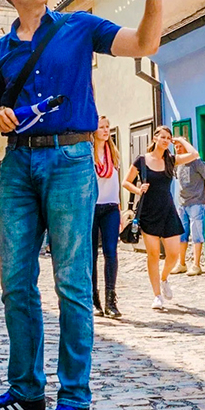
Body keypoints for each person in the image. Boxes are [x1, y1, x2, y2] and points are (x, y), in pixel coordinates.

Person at [0, 0, 175, 410]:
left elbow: (145, 43)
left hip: (71, 160)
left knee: (73, 283)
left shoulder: (80, 26)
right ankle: (25, 393)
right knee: (15, 281)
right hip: (17, 163)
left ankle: (75, 401)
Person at [124, 126, 199, 311]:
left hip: (167, 209)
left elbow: (194, 154)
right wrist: (137, 189)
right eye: (163, 137)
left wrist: (180, 140)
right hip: (148, 212)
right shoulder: (142, 160)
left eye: (168, 138)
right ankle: (157, 295)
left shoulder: (171, 160)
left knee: (173, 254)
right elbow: (126, 181)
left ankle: (164, 278)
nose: (166, 140)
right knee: (153, 255)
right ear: (155, 138)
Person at [89, 116, 122, 318]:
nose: (105, 130)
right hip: (92, 207)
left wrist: (120, 208)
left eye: (107, 127)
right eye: (101, 127)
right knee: (91, 254)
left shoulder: (113, 153)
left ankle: (111, 299)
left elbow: (116, 182)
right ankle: (93, 298)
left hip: (110, 207)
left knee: (111, 251)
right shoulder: (88, 153)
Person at [172, 143, 205, 275]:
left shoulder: (196, 162)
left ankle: (196, 265)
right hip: (182, 203)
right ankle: (182, 263)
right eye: (176, 147)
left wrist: (204, 191)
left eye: (180, 146)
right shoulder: (177, 164)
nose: (178, 149)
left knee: (197, 233)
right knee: (181, 234)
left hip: (196, 202)